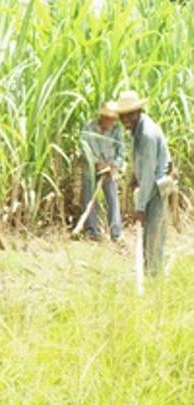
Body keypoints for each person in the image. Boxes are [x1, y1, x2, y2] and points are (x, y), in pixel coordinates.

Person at [114, 90, 171, 276]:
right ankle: (149, 275)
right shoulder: (136, 130)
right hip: (149, 185)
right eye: (123, 115)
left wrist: (140, 208)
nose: (125, 119)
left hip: (158, 187)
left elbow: (148, 174)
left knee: (153, 237)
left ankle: (154, 278)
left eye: (129, 114)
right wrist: (133, 177)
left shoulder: (146, 134)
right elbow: (140, 162)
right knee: (148, 237)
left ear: (138, 111)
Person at [79, 102, 125, 241]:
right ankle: (92, 232)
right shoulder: (89, 127)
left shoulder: (117, 130)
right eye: (108, 118)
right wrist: (96, 163)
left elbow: (121, 153)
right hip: (91, 168)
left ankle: (116, 234)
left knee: (112, 199)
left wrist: (112, 165)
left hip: (110, 170)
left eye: (113, 119)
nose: (110, 122)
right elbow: (84, 148)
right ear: (102, 117)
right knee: (89, 199)